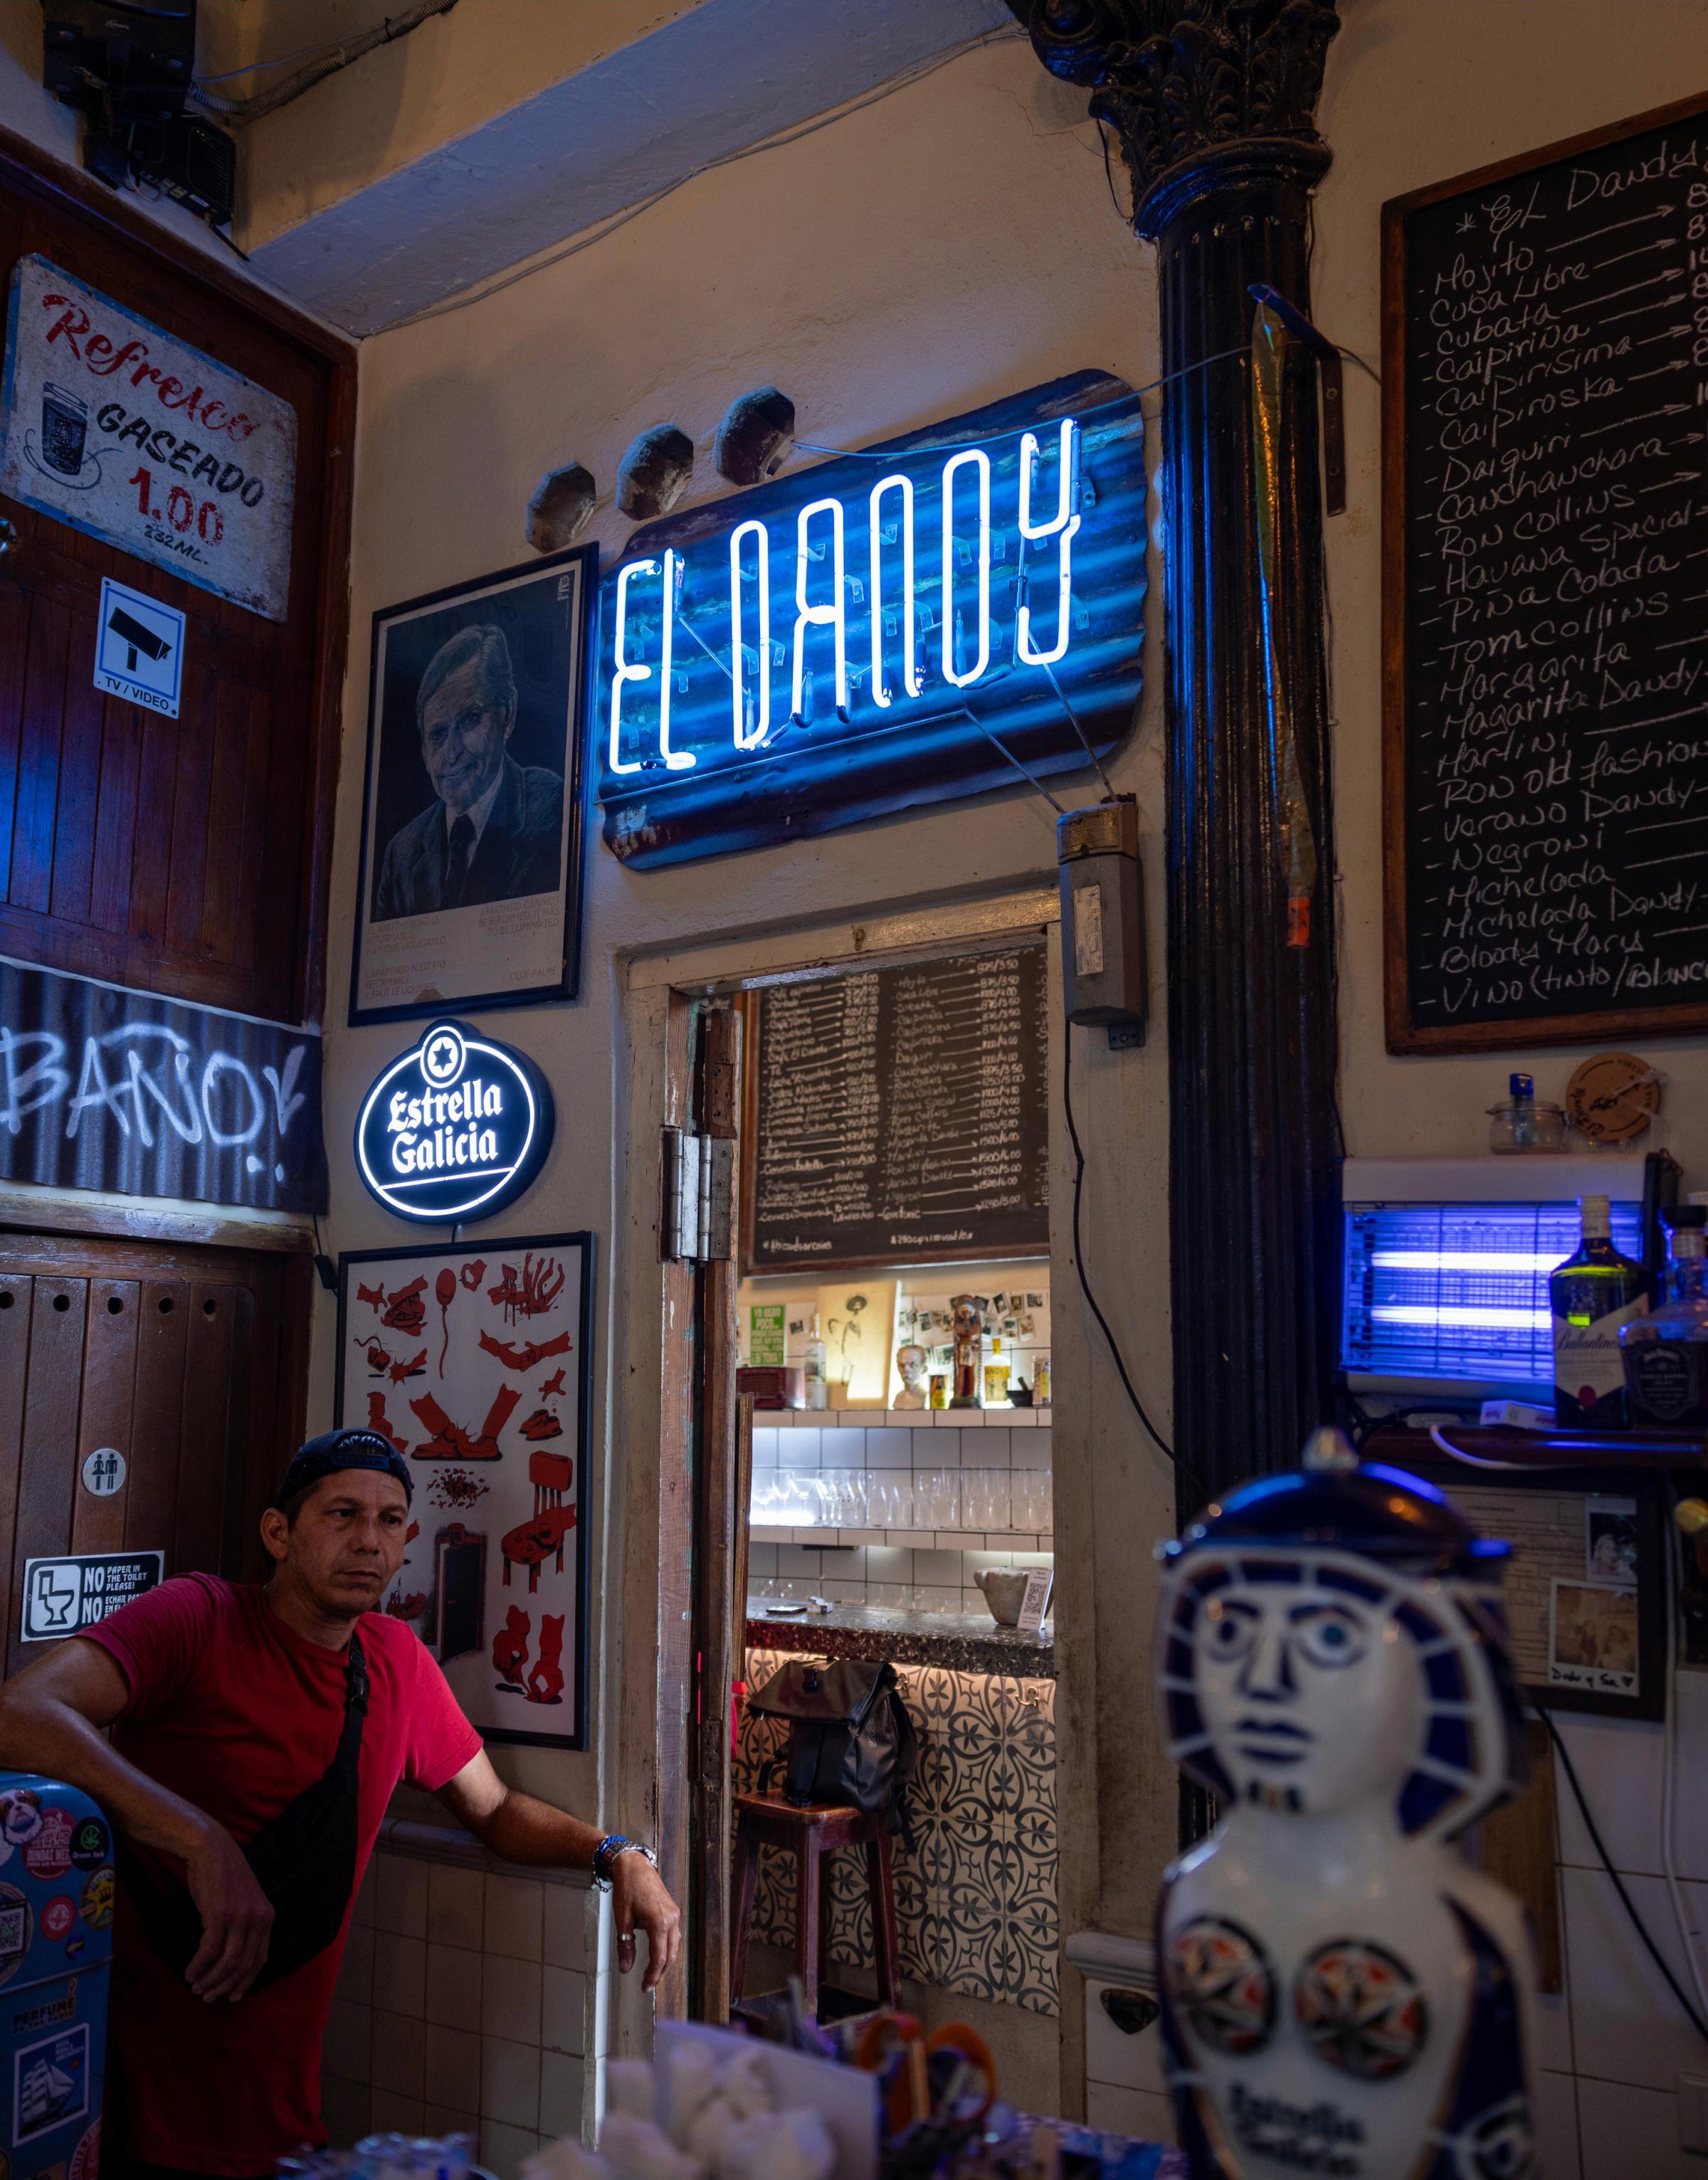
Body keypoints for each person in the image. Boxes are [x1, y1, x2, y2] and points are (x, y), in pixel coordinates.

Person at [0, 1426, 681, 2178]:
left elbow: (492, 1811)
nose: (369, 1542)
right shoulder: (196, 1617)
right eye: (342, 1514)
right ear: (279, 1532)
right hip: (126, 2117)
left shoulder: (397, 1661)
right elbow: (19, 1714)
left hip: (284, 2130)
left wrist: (619, 1856)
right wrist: (201, 1841)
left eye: (390, 1522)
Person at [372, 623, 564, 922]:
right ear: (423, 752)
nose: (451, 753)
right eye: (438, 734)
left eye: (470, 720)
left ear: (507, 714)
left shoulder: (551, 807)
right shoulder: (402, 853)